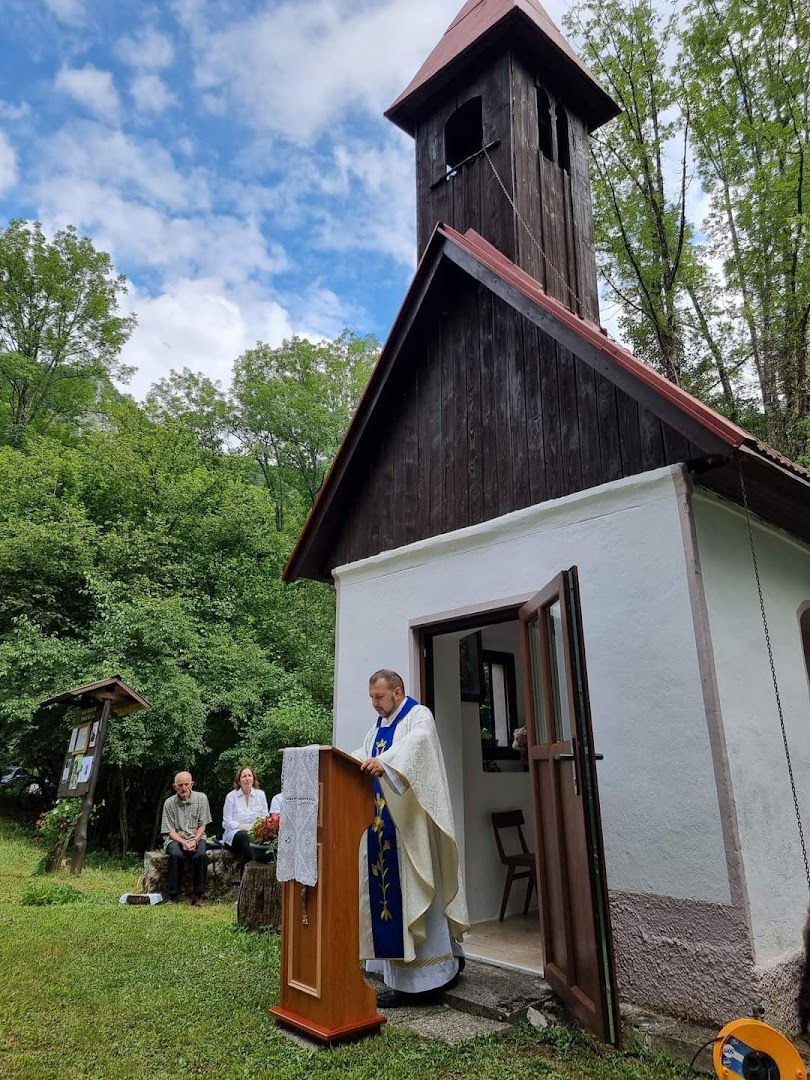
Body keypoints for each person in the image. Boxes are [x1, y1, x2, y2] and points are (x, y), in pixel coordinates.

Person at [354, 669, 469, 1007]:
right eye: (371, 698)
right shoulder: (377, 727)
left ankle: (426, 982)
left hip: (412, 834)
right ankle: (429, 973)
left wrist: (385, 763)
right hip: (383, 829)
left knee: (420, 895)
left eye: (379, 697)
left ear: (397, 692)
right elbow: (364, 755)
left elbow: (417, 746)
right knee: (396, 899)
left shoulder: (419, 715)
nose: (374, 704)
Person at [161, 771, 212, 906]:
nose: (183, 788)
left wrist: (195, 840)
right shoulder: (169, 803)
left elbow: (202, 825)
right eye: (180, 785)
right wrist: (183, 842)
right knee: (176, 855)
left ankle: (198, 895)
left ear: (192, 784)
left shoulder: (202, 799)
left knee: (201, 855)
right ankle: (173, 895)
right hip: (176, 839)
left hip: (196, 836)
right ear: (174, 787)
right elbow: (169, 830)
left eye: (186, 784)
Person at [222, 765, 269, 871]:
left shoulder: (260, 794)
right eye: (244, 776)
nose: (247, 779)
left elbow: (265, 817)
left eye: (249, 775)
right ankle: (253, 867)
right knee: (245, 837)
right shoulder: (231, 796)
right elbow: (226, 823)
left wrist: (254, 829)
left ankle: (246, 870)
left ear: (253, 778)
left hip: (256, 832)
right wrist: (245, 827)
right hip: (235, 835)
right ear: (239, 781)